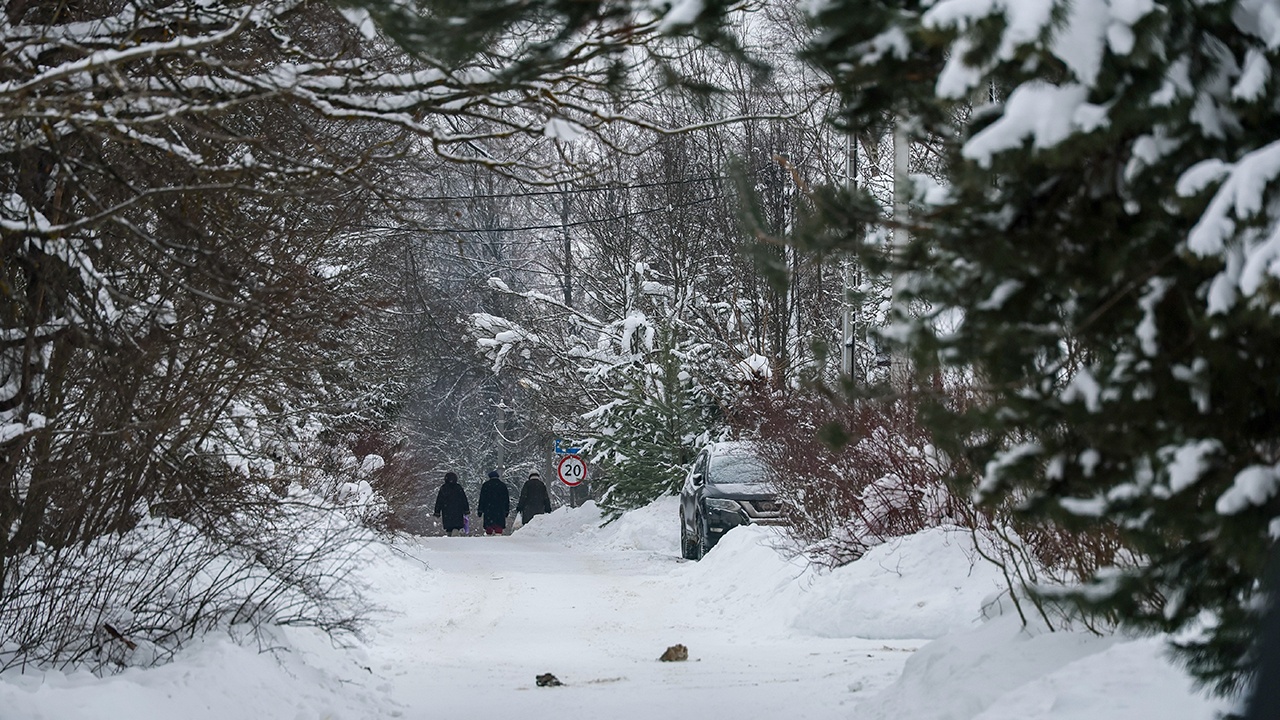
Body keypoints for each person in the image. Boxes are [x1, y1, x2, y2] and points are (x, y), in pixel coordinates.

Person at [432, 472, 469, 536]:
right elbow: (464, 499)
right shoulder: (458, 488)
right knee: (457, 526)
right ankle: (455, 534)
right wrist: (466, 510)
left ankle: (450, 535)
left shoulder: (443, 488)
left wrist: (437, 512)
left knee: (449, 527)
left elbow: (439, 501)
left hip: (447, 511)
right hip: (458, 510)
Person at [477, 470, 510, 536]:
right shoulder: (502, 485)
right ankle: (498, 536)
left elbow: (482, 499)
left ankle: (489, 536)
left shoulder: (486, 485)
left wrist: (480, 510)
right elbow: (506, 499)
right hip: (500, 509)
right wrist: (506, 510)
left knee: (489, 526)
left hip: (488, 509)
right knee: (498, 526)